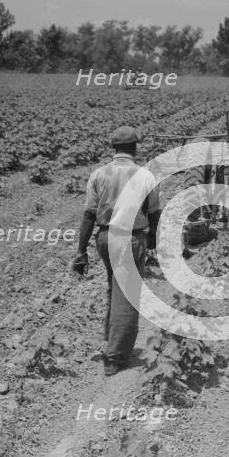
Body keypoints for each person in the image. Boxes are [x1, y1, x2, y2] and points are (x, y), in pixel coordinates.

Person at [72, 126, 160, 376]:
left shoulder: (99, 174)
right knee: (128, 294)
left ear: (114, 148)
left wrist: (81, 251)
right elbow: (154, 212)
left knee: (115, 286)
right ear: (135, 148)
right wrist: (153, 238)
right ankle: (115, 357)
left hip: (104, 238)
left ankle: (110, 339)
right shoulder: (144, 176)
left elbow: (89, 214)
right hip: (130, 239)